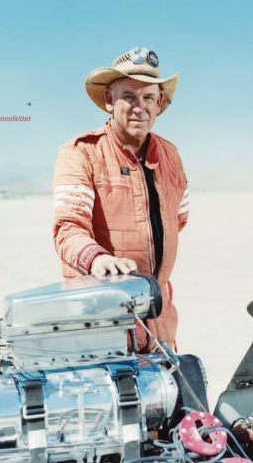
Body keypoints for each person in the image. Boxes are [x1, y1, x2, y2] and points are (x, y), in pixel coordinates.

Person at [52, 47, 189, 352]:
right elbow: (67, 228)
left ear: (159, 103)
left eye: (148, 98)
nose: (139, 107)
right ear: (110, 101)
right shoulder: (81, 152)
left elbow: (178, 221)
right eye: (129, 96)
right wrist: (97, 258)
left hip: (160, 331)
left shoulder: (171, 156)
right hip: (99, 330)